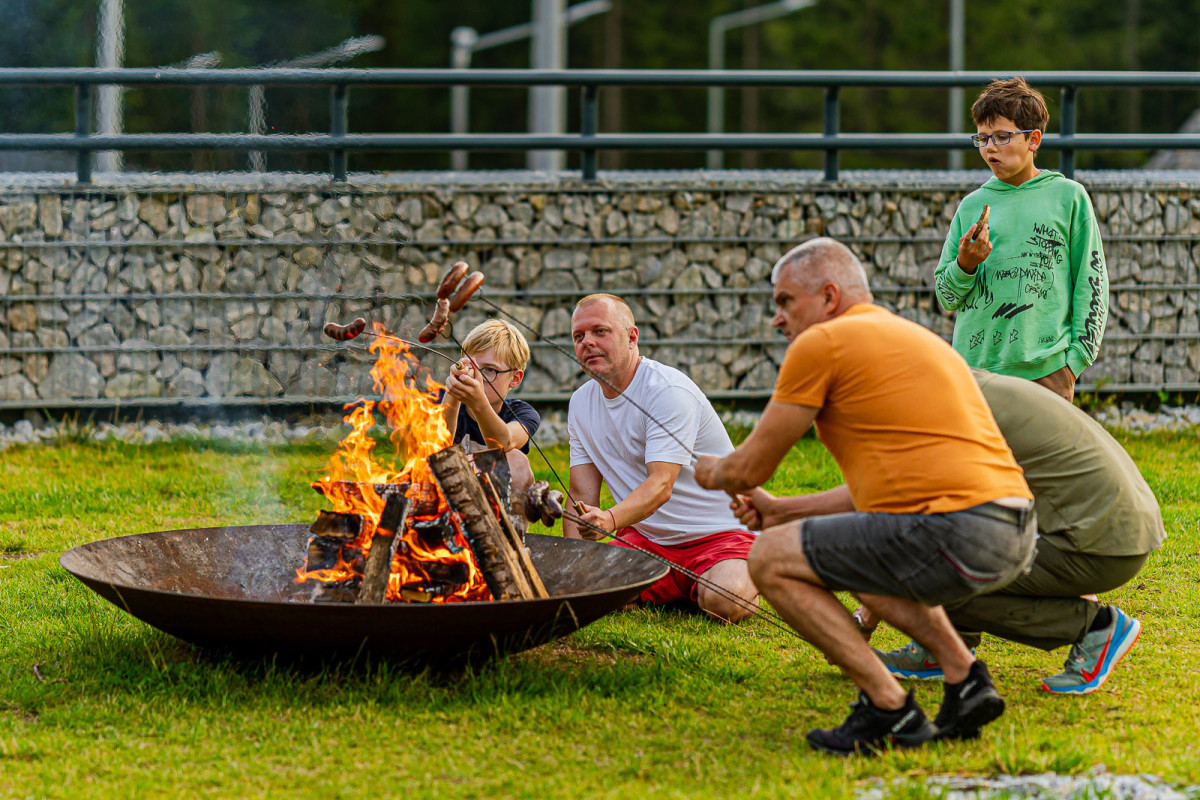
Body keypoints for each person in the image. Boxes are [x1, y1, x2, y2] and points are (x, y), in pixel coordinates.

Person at [693, 238, 1036, 755]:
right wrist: (782, 510)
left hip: (958, 529)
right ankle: (965, 681)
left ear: (829, 297)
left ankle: (887, 708)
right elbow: (885, 491)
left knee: (769, 558)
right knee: (856, 556)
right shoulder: (915, 338)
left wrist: (709, 469)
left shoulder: (823, 342)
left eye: (785, 301)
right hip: (1014, 530)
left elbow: (752, 466)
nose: (776, 319)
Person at [857, 370, 1165, 694]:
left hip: (1102, 545)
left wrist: (864, 621)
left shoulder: (945, 413)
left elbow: (913, 515)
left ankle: (1095, 628)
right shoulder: (964, 385)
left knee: (940, 571)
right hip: (1120, 526)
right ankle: (941, 649)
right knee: (951, 549)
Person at [563, 293, 760, 623]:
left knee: (725, 602)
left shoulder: (666, 390)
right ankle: (677, 585)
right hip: (648, 540)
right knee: (589, 589)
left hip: (720, 534)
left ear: (632, 337)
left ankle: (745, 571)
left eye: (600, 331)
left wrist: (609, 521)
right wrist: (574, 566)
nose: (588, 343)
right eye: (578, 337)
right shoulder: (581, 403)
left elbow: (661, 484)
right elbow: (581, 495)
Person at [934, 77, 1108, 403]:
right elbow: (945, 296)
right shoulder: (971, 206)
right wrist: (965, 265)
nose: (990, 148)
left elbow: (1093, 285)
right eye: (982, 138)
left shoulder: (1068, 198)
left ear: (1033, 140)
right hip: (976, 372)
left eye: (1002, 136)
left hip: (1048, 371)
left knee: (1039, 457)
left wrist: (1073, 364)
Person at [440, 319, 538, 493]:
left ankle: (509, 521)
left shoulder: (522, 413)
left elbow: (504, 442)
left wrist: (479, 403)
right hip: (446, 493)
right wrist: (452, 395)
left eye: (489, 370)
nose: (477, 377)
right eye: (471, 366)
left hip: (498, 497)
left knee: (516, 459)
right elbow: (436, 447)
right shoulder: (444, 400)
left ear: (515, 379)